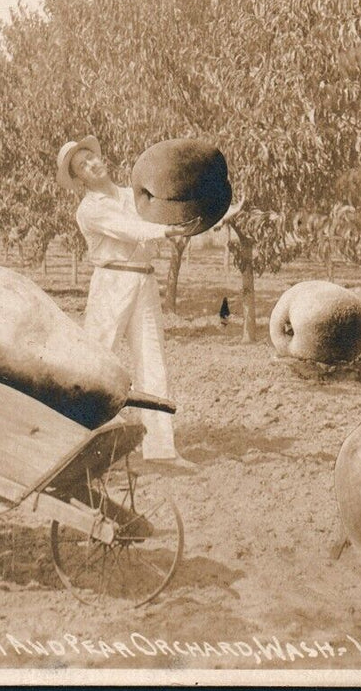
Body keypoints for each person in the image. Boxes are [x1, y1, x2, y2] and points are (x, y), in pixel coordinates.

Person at [58, 136, 240, 471]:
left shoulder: (133, 196)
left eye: (92, 158)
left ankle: (160, 450)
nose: (91, 165)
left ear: (102, 160)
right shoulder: (90, 209)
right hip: (111, 282)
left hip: (143, 280)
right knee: (98, 364)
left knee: (152, 362)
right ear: (79, 179)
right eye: (82, 166)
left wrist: (218, 213)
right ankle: (79, 447)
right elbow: (133, 230)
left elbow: (173, 210)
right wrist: (170, 231)